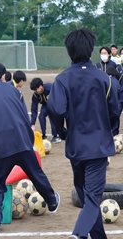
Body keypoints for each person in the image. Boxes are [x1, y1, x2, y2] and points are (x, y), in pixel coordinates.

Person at [47, 28, 120, 239]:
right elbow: (115, 112)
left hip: (76, 146)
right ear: (92, 50)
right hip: (98, 146)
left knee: (87, 196)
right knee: (93, 198)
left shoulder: (62, 79)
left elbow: (56, 109)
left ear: (69, 51)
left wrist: (61, 130)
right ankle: (78, 234)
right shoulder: (105, 79)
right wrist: (107, 130)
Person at [0, 62, 60, 233]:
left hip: (1, 147)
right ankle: (51, 202)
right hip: (22, 142)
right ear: (4, 76)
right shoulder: (15, 90)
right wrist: (28, 141)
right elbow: (24, 116)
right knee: (35, 173)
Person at [30, 78, 61, 143]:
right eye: (34, 90)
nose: (35, 91)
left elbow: (60, 96)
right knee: (41, 115)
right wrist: (32, 123)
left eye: (36, 89)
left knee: (52, 115)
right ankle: (43, 135)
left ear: (41, 86)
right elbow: (34, 109)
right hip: (45, 105)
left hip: (55, 104)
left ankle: (56, 136)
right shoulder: (35, 95)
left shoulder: (51, 88)